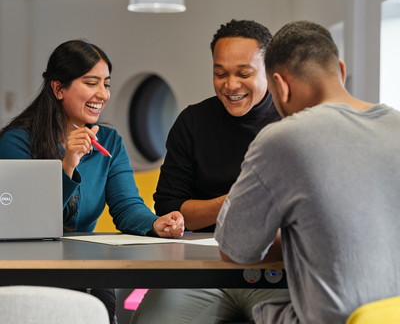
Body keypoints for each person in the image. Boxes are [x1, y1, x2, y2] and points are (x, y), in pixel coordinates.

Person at [215, 21, 400, 324]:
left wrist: (296, 235)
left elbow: (234, 249)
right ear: (340, 70)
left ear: (280, 86)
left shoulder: (283, 139)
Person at [0, 40, 184, 324]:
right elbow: (27, 221)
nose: (103, 94)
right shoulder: (17, 142)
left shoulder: (109, 141)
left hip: (86, 267)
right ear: (58, 89)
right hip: (29, 268)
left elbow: (126, 207)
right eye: (91, 82)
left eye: (107, 84)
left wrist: (153, 223)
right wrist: (68, 163)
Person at [131, 20, 288, 324]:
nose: (230, 85)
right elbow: (169, 208)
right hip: (204, 269)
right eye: (220, 73)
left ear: (269, 70)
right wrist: (236, 201)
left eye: (244, 73)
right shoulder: (193, 122)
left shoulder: (293, 120)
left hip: (278, 270)